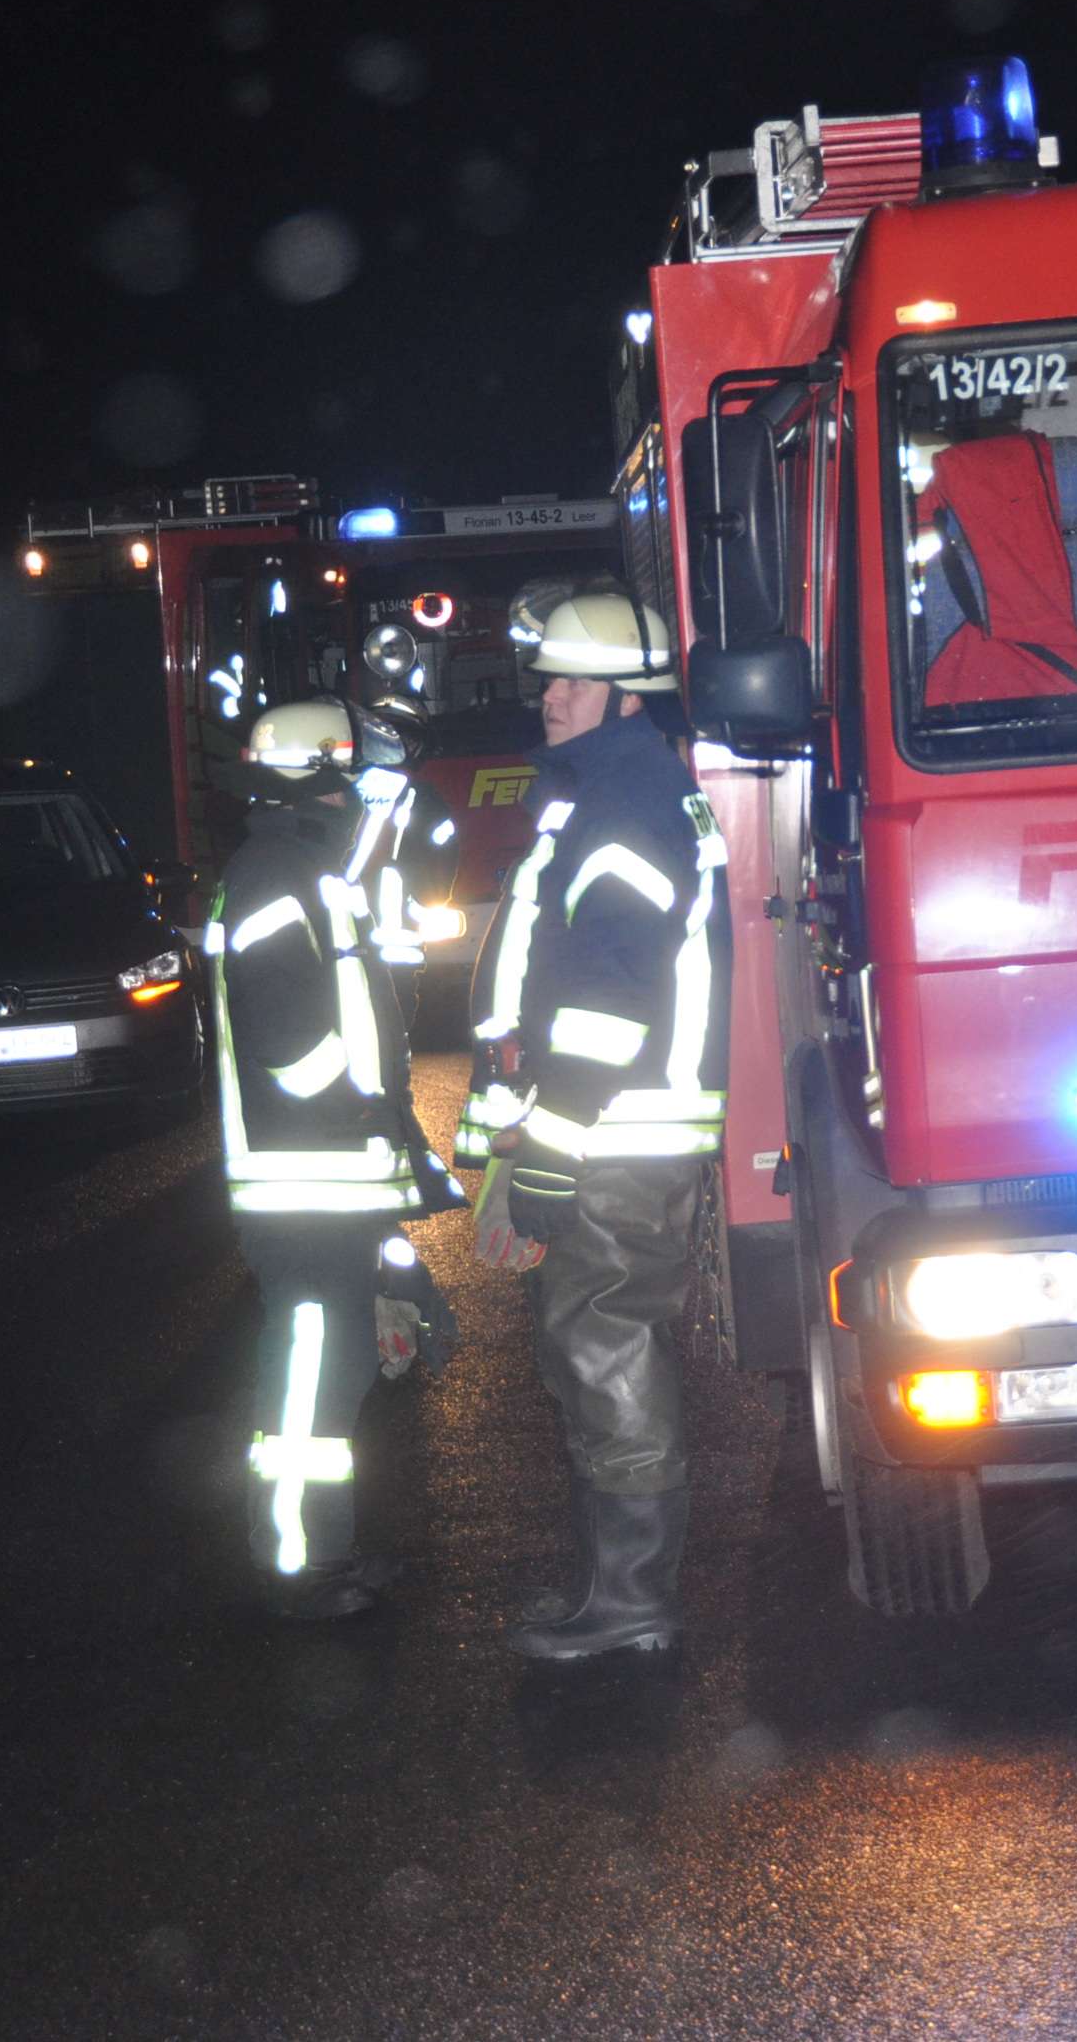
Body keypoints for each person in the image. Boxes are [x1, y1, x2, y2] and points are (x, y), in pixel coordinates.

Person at [466, 588, 730, 1662]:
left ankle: (632, 1601)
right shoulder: (619, 790)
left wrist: (553, 1145)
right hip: (614, 1132)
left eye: (575, 680)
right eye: (549, 677)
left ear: (628, 698)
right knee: (599, 1349)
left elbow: (608, 1003)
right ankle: (622, 1591)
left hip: (613, 1137)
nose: (551, 696)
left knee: (606, 1349)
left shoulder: (622, 809)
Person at [210, 698, 453, 1621]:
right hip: (302, 1179)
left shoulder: (295, 869)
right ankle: (300, 1571)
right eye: (358, 782)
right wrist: (362, 1110)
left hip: (324, 1177)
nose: (367, 801)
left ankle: (324, 1552)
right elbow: (286, 1038)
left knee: (333, 1371)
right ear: (321, 780)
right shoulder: (279, 875)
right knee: (312, 1377)